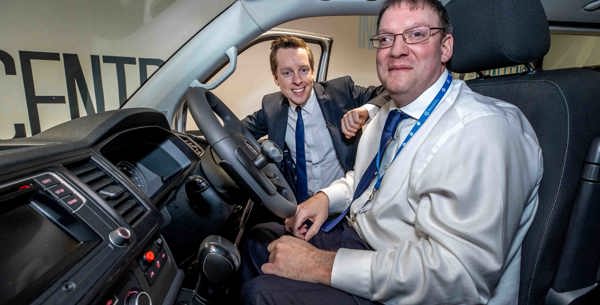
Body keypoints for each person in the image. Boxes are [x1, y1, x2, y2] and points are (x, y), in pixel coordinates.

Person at [240, 0, 543, 304]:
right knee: (261, 242)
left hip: (411, 276)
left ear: (446, 47)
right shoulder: (388, 114)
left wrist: (320, 265)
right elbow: (367, 179)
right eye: (386, 38)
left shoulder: (483, 131)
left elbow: (457, 277)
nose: (397, 49)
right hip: (363, 238)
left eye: (416, 34)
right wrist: (325, 198)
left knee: (261, 293)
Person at [241, 35, 384, 203]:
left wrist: (365, 111)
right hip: (297, 205)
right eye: (287, 73)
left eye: (303, 70)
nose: (297, 80)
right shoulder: (271, 107)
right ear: (275, 78)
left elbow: (388, 92)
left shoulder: (341, 92)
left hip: (344, 203)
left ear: (313, 71)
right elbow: (237, 131)